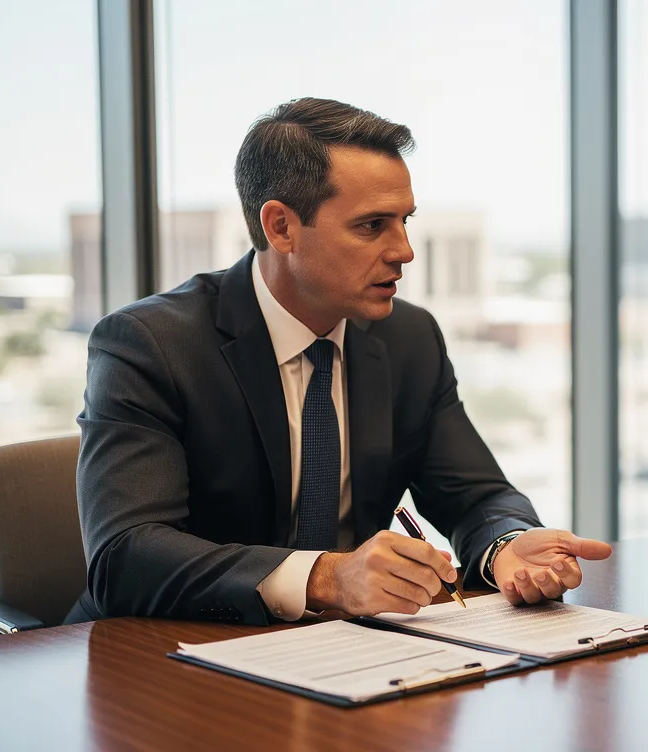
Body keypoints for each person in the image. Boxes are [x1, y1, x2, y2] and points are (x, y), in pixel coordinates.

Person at [68, 98, 611, 625]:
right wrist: (327, 578)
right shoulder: (150, 343)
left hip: (354, 658)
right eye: (372, 225)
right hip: (169, 660)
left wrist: (507, 547)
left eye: (405, 221)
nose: (404, 251)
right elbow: (125, 554)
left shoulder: (409, 337)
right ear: (281, 227)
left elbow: (476, 495)